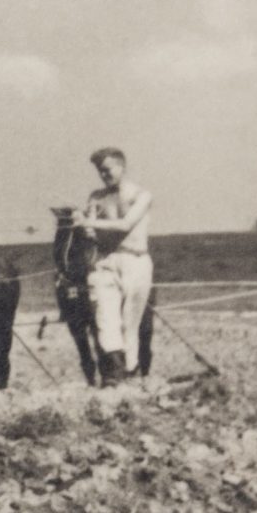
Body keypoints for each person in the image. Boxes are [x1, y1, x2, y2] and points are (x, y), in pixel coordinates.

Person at [71, 146, 154, 385]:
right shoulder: (96, 197)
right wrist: (85, 227)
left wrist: (90, 221)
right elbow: (91, 232)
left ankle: (130, 372)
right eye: (99, 171)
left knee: (131, 322)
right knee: (105, 319)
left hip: (136, 261)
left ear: (122, 166)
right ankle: (115, 374)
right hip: (105, 261)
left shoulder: (142, 195)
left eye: (107, 169)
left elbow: (127, 224)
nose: (103, 175)